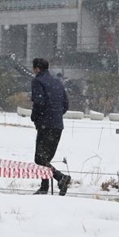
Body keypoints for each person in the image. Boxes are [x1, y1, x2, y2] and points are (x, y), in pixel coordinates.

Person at [30, 57, 72, 196]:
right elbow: (65, 105)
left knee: (39, 158)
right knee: (45, 158)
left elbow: (39, 102)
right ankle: (44, 187)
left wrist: (36, 117)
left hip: (45, 124)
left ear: (37, 68)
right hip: (58, 125)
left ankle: (61, 178)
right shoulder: (57, 82)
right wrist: (56, 115)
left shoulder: (38, 81)